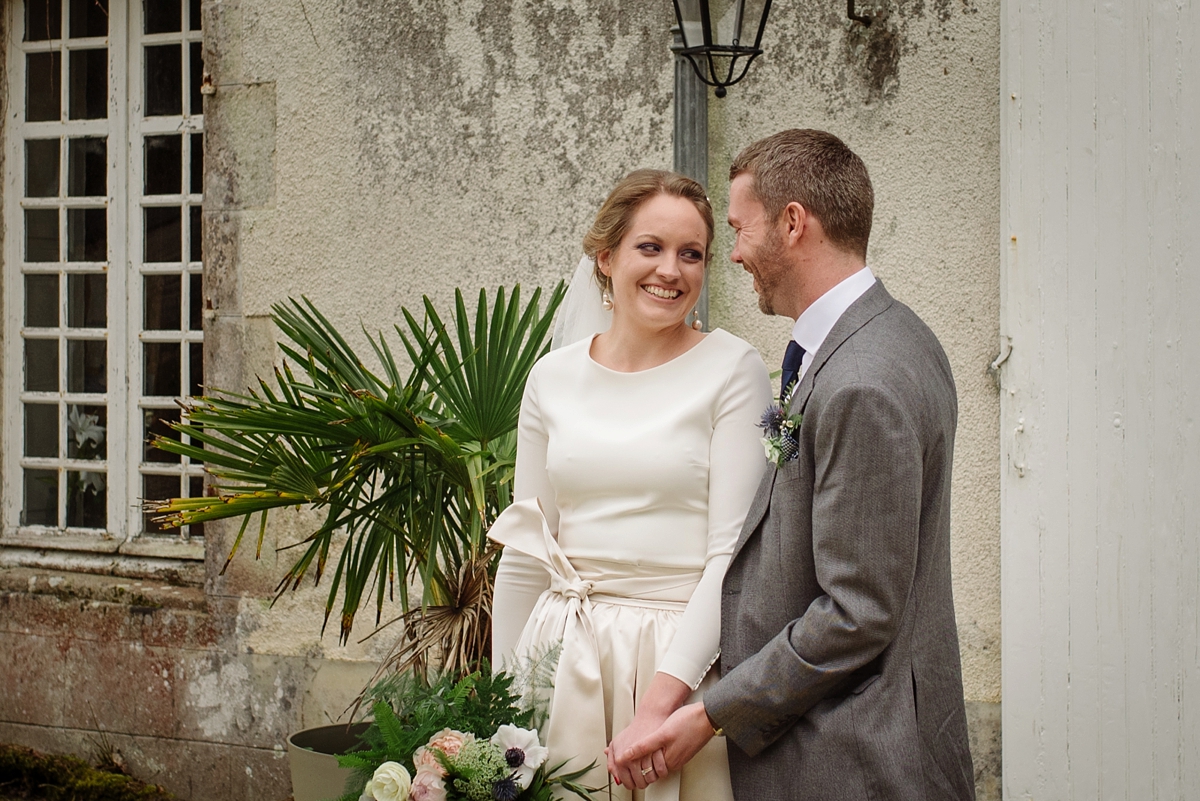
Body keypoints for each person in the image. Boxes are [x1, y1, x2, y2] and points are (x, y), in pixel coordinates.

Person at [618, 130, 976, 800]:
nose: (736, 255)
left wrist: (712, 711)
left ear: (792, 223)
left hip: (852, 757)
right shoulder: (889, 335)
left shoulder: (863, 378)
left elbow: (857, 610)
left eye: (740, 230)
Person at [487, 169, 771, 800]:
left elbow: (731, 556)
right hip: (559, 659)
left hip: (677, 662)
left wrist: (661, 702)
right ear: (606, 256)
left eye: (691, 254)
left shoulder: (732, 370)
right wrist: (500, 700)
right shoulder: (551, 378)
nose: (671, 270)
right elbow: (530, 548)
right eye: (651, 247)